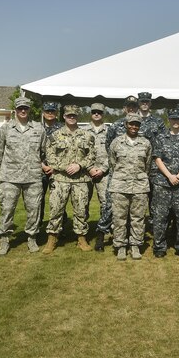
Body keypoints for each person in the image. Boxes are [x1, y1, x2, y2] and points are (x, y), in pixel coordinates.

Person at [0, 97, 47, 256]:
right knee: (7, 209)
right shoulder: (6, 128)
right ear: (15, 110)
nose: (23, 111)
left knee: (34, 209)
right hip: (10, 177)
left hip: (32, 177)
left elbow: (43, 151)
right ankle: (4, 239)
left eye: (26, 108)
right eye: (20, 108)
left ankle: (31, 237)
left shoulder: (39, 128)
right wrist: (4, 171)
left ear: (29, 110)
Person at [42, 105, 97, 254]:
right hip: (61, 179)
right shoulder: (55, 136)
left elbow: (92, 155)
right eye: (68, 115)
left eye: (74, 115)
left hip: (80, 180)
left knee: (81, 210)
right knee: (56, 209)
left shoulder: (87, 136)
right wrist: (65, 166)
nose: (71, 118)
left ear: (77, 117)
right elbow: (50, 156)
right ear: (64, 117)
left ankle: (81, 239)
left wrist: (79, 165)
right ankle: (52, 239)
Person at [150, 108, 179, 258]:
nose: (176, 122)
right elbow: (157, 158)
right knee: (160, 216)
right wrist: (169, 176)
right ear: (169, 119)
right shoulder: (161, 137)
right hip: (163, 183)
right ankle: (159, 246)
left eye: (178, 119)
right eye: (173, 119)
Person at [108, 113, 152, 261]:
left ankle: (135, 245)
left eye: (137, 124)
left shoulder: (145, 143)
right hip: (120, 185)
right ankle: (120, 246)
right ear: (126, 124)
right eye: (131, 124)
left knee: (138, 218)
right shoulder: (116, 142)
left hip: (139, 186)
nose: (134, 127)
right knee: (119, 218)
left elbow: (147, 165)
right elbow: (112, 163)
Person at [98, 95, 140, 246]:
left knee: (134, 208)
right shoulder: (115, 126)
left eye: (134, 107)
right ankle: (101, 235)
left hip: (136, 175)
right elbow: (109, 149)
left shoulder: (142, 126)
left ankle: (129, 236)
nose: (131, 109)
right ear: (124, 108)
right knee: (110, 205)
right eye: (128, 106)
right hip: (117, 174)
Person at [84, 103, 112, 251]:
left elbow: (112, 153)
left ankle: (102, 232)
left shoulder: (109, 131)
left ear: (103, 114)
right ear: (90, 113)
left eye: (99, 112)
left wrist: (102, 169)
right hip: (85, 173)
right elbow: (79, 153)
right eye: (94, 112)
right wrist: (88, 168)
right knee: (83, 203)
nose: (96, 114)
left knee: (106, 203)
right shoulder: (83, 131)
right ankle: (83, 233)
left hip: (103, 173)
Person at [40, 101, 63, 227]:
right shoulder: (36, 128)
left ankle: (60, 227)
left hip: (57, 170)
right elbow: (31, 150)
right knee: (38, 200)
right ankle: (38, 227)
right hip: (39, 169)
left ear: (56, 113)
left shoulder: (63, 129)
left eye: (52, 111)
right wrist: (42, 166)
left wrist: (54, 167)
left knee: (59, 199)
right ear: (43, 113)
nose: (50, 113)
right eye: (47, 111)